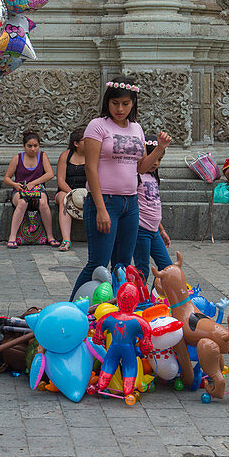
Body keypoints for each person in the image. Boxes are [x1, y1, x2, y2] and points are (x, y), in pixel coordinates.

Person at [69, 81, 172, 301]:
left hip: (130, 203)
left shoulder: (137, 128)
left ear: (133, 103)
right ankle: (73, 309)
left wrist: (160, 149)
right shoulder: (97, 126)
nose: (120, 109)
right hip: (104, 201)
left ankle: (116, 312)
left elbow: (142, 167)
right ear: (107, 102)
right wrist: (100, 209)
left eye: (125, 104)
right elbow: (90, 168)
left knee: (123, 265)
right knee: (97, 263)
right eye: (115, 103)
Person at [3, 130, 58, 248]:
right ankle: (12, 236)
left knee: (43, 203)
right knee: (22, 202)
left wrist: (33, 183)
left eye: (35, 146)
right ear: (24, 146)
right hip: (20, 190)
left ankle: (50, 236)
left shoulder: (42, 156)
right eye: (29, 146)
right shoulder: (17, 158)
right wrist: (15, 185)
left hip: (38, 189)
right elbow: (6, 178)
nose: (33, 149)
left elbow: (50, 174)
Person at [133, 141, 172, 283]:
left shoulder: (153, 177)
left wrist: (162, 231)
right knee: (142, 269)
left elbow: (154, 206)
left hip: (154, 231)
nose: (155, 163)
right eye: (153, 158)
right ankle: (139, 301)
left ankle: (158, 297)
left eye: (159, 159)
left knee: (167, 267)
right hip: (140, 230)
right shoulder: (136, 176)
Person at [54, 128, 88, 252]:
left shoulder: (93, 156)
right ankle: (66, 240)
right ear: (76, 143)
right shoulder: (66, 155)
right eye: (86, 140)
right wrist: (73, 194)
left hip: (86, 191)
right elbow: (61, 180)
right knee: (64, 199)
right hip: (66, 190)